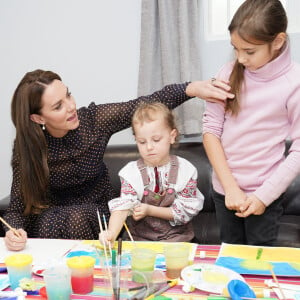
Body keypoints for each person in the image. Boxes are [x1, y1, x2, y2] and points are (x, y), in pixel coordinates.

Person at [3, 69, 233, 251]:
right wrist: (15, 232)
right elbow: (15, 207)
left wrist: (191, 88)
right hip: (50, 221)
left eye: (68, 95)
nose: (71, 106)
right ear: (38, 117)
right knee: (50, 223)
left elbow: (143, 103)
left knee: (76, 218)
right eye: (58, 106)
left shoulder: (93, 122)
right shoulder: (27, 148)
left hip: (96, 215)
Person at [203, 0, 300, 246]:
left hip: (264, 195)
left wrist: (263, 197)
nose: (240, 58)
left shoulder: (294, 82)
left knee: (259, 267)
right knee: (230, 264)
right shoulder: (227, 73)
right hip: (225, 191)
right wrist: (230, 188)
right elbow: (211, 133)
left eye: (249, 51)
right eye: (235, 49)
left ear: (277, 42)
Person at [99, 102, 204, 245]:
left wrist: (150, 210)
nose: (149, 147)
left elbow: (184, 211)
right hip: (141, 243)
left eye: (156, 140)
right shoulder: (131, 173)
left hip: (178, 243)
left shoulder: (185, 171)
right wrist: (111, 233)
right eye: (142, 142)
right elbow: (122, 207)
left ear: (172, 136)